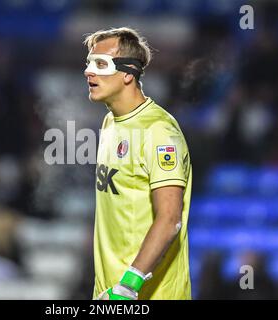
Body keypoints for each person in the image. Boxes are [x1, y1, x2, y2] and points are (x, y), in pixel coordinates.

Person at [84, 27, 192, 300]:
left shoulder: (158, 131)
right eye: (88, 63)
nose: (88, 71)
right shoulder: (110, 122)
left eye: (100, 64)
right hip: (110, 294)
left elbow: (169, 220)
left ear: (128, 73)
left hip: (145, 294)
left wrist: (127, 286)